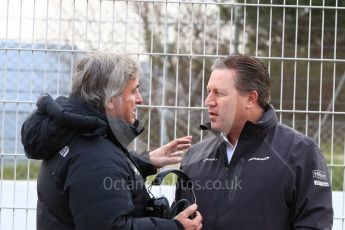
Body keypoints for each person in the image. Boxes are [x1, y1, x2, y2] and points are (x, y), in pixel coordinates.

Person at [21, 53, 202, 230]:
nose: (140, 99)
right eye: (134, 90)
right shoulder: (94, 158)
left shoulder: (77, 136)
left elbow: (99, 187)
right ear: (110, 100)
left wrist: (144, 161)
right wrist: (175, 226)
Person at [176, 54, 333, 229]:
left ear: (251, 99)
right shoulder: (193, 157)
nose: (208, 101)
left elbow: (314, 224)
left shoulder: (300, 153)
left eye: (219, 93)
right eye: (208, 92)